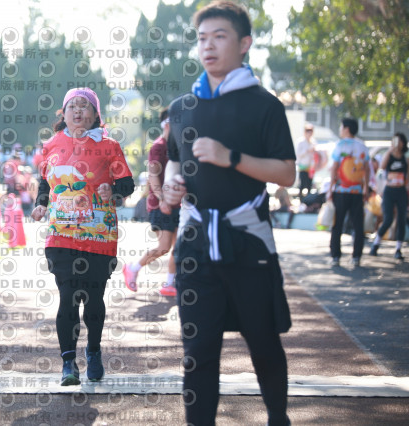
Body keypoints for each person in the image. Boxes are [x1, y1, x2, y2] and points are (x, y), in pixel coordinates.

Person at [161, 2, 295, 424]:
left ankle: (278, 418)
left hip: (249, 242)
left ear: (244, 43)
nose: (208, 46)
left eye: (219, 36)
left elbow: (287, 173)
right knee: (197, 353)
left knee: (263, 343)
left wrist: (230, 157)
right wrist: (171, 184)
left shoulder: (265, 105)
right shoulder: (182, 107)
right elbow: (174, 159)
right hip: (195, 247)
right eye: (202, 38)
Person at [31, 87, 134, 386]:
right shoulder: (51, 144)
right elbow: (44, 182)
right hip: (61, 234)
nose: (78, 111)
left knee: (93, 298)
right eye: (72, 106)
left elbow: (127, 184)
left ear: (95, 114)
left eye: (84, 106)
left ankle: (93, 351)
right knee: (68, 296)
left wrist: (112, 191)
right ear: (63, 113)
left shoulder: (109, 146)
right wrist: (41, 204)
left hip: (98, 234)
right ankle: (68, 363)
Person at [122, 108, 179, 296]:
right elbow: (153, 175)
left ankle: (169, 283)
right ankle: (133, 268)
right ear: (166, 124)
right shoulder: (158, 146)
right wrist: (162, 199)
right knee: (164, 247)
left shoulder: (179, 146)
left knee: (179, 246)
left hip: (179, 205)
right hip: (159, 204)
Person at [328, 118, 370, 267]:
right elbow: (367, 169)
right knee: (358, 225)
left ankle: (335, 256)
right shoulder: (362, 146)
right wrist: (366, 188)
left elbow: (334, 167)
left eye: (341, 127)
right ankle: (356, 256)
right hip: (357, 191)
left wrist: (330, 188)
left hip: (341, 190)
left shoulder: (340, 145)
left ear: (346, 129)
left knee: (337, 224)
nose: (340, 129)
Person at [369, 132, 408, 260]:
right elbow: (382, 167)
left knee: (401, 219)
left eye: (399, 141)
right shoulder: (389, 155)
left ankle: (398, 249)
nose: (397, 143)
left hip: (401, 191)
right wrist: (390, 151)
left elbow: (407, 176)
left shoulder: (405, 159)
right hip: (389, 191)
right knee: (388, 219)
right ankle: (376, 244)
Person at [295, 123, 316, 198]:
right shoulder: (300, 142)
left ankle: (308, 199)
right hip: (302, 166)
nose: (309, 133)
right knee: (302, 184)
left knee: (309, 185)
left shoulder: (313, 142)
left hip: (311, 167)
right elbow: (298, 154)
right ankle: (301, 199)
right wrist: (307, 151)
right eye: (308, 131)